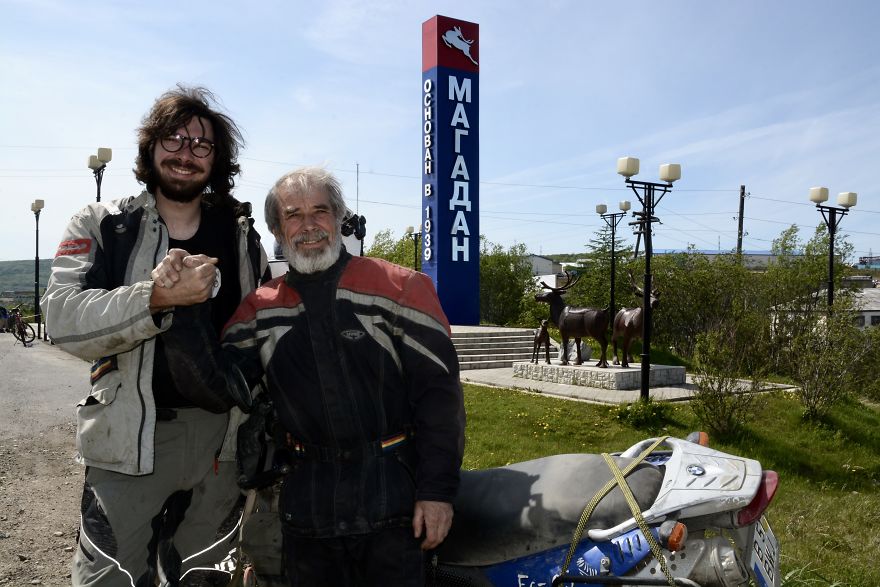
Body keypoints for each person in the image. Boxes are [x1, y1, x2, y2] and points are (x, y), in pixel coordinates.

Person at [160, 166, 466, 586]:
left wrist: (437, 492)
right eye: (293, 215)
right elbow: (216, 390)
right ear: (276, 228)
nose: (309, 226)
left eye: (320, 211)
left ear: (339, 217)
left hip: (393, 497)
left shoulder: (401, 289)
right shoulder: (259, 309)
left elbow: (440, 400)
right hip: (306, 505)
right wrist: (183, 308)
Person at [41, 85, 269, 586]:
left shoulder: (242, 236)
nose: (186, 153)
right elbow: (59, 316)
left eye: (201, 144)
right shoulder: (104, 224)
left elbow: (262, 333)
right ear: (150, 148)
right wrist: (156, 298)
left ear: (218, 158)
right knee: (109, 578)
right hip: (128, 443)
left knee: (206, 577)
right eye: (174, 138)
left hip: (221, 448)